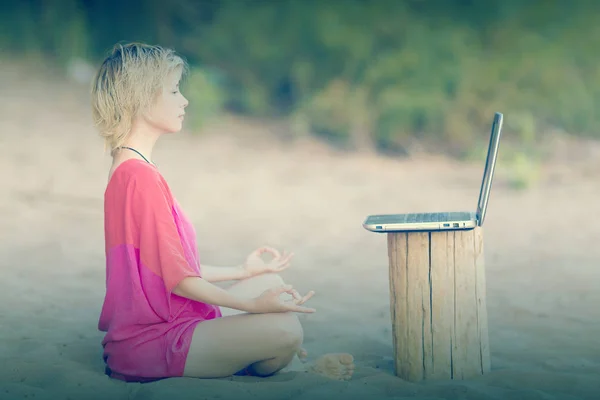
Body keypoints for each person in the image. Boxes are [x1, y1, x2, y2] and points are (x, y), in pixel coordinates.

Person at [90, 42, 321, 382]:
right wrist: (254, 307)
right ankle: (254, 354)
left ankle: (245, 347)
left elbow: (162, 271)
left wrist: (242, 271)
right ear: (140, 98)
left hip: (163, 326)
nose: (183, 100)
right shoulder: (139, 177)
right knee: (285, 331)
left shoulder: (127, 166)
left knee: (267, 280)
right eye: (173, 90)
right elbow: (181, 281)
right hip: (151, 343)